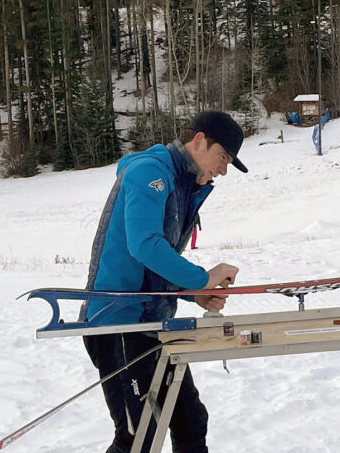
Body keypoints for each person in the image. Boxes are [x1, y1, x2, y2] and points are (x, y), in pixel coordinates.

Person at [82, 110, 247, 453]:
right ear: (199, 141)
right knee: (137, 436)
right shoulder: (150, 171)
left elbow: (154, 268)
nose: (223, 170)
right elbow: (143, 244)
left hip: (156, 322)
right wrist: (203, 279)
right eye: (222, 158)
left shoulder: (183, 184)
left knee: (190, 421)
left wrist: (193, 295)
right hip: (118, 324)